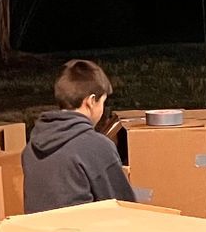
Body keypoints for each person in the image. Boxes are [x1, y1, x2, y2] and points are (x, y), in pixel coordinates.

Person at [21, 59, 135, 214]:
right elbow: (125, 208)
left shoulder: (31, 147)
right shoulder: (97, 147)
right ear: (90, 101)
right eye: (102, 102)